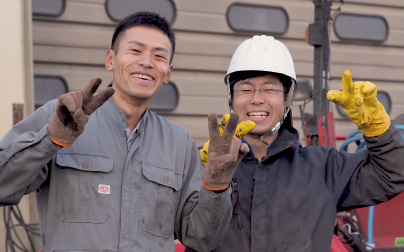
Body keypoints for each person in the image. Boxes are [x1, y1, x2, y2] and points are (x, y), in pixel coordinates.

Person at [0, 12, 249, 252]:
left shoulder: (178, 143)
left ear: (168, 74)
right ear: (111, 59)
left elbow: (201, 239)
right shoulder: (60, 117)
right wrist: (50, 139)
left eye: (159, 56)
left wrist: (216, 187)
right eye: (135, 50)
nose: (147, 62)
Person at [190, 35, 404, 251]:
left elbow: (393, 173)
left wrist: (377, 128)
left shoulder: (324, 168)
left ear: (288, 100)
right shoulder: (199, 163)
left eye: (270, 88)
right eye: (245, 89)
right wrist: (209, 179)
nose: (257, 99)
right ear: (231, 99)